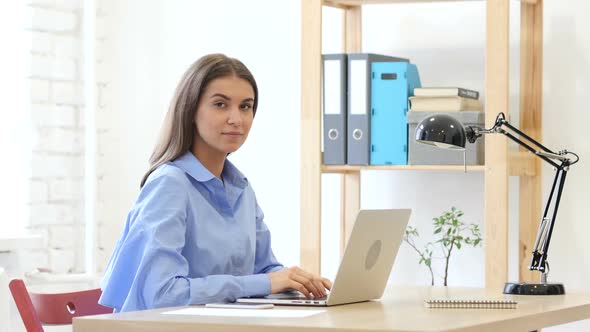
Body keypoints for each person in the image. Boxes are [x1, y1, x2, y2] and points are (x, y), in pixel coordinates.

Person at [98, 54, 332, 312]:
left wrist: (295, 280)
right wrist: (263, 283)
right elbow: (162, 293)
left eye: (246, 106)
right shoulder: (169, 185)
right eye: (220, 104)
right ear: (190, 110)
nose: (236, 119)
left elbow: (264, 269)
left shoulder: (241, 188)